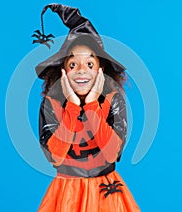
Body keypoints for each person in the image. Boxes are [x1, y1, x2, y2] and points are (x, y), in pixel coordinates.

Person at [33, 4, 140, 212]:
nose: (81, 71)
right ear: (63, 70)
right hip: (66, 192)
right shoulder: (52, 104)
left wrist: (91, 105)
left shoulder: (112, 100)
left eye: (89, 64)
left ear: (101, 70)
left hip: (106, 191)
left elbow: (111, 153)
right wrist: (72, 106)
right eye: (73, 65)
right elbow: (55, 155)